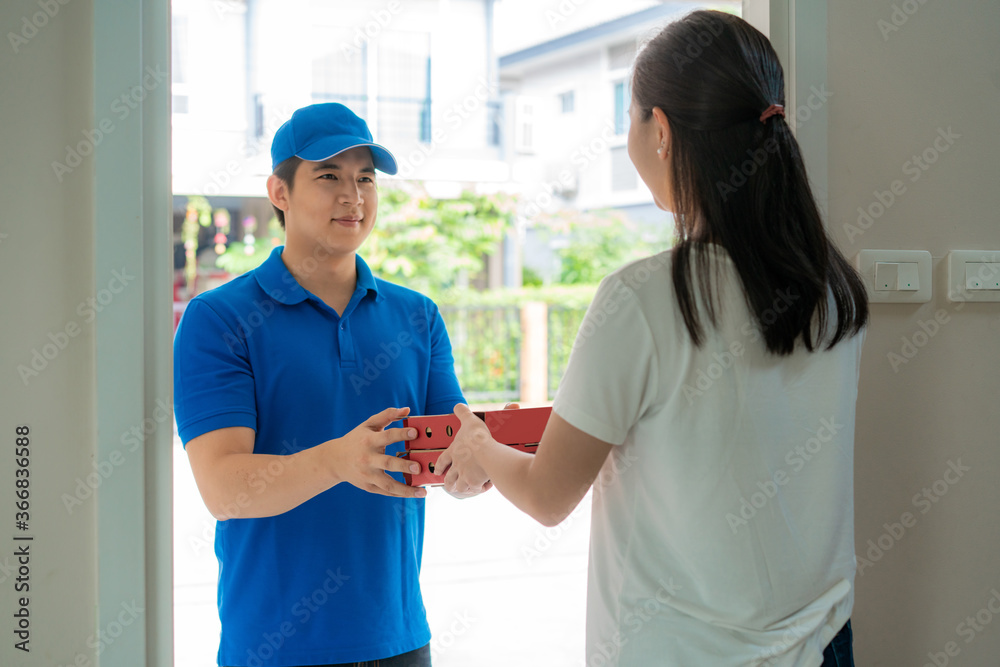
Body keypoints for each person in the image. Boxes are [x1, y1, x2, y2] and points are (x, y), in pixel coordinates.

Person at [439, 10, 867, 667]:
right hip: (824, 643)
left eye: (630, 116)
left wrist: (480, 447)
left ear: (659, 130)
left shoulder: (643, 297)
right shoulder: (832, 289)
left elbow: (548, 495)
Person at [174, 103, 487, 667]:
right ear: (279, 192)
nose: (354, 196)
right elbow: (224, 489)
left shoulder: (418, 316)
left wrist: (481, 460)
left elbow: (447, 459)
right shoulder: (218, 319)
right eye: (329, 177)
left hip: (400, 640)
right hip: (274, 646)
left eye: (365, 178)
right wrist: (340, 460)